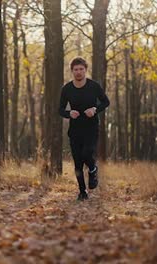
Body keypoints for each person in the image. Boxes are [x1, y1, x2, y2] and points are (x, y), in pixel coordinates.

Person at [59, 57, 110, 201]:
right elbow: (60, 109)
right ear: (72, 71)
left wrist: (95, 109)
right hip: (75, 130)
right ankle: (82, 192)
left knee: (87, 153)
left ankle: (93, 170)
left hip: (91, 128)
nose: (79, 72)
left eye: (81, 69)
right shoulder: (67, 89)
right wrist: (69, 113)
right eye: (76, 69)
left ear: (85, 70)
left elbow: (106, 102)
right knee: (78, 163)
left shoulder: (94, 86)